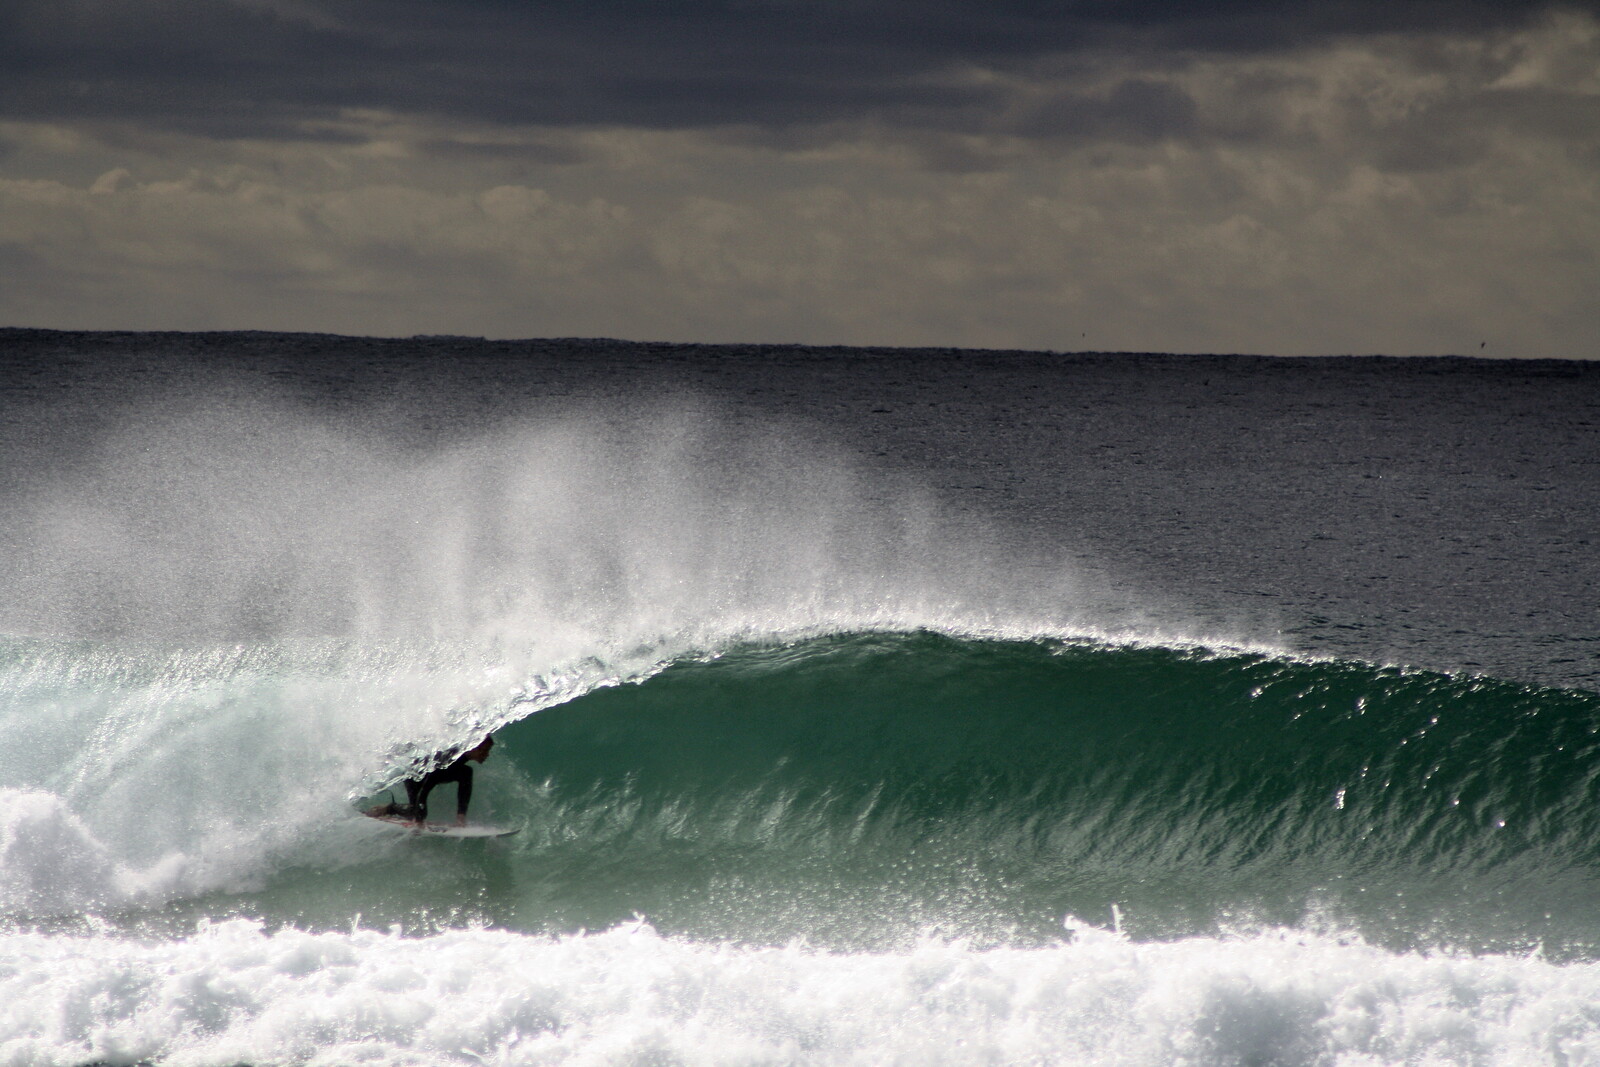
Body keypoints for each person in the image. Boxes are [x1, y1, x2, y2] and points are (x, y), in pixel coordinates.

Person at [371, 735, 494, 827]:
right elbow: (428, 782)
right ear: (474, 749)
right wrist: (418, 818)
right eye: (485, 750)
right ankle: (388, 808)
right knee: (418, 813)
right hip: (414, 775)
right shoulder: (449, 759)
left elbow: (462, 789)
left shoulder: (462, 762)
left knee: (467, 772)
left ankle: (459, 818)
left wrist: (460, 818)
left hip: (429, 777)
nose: (487, 754)